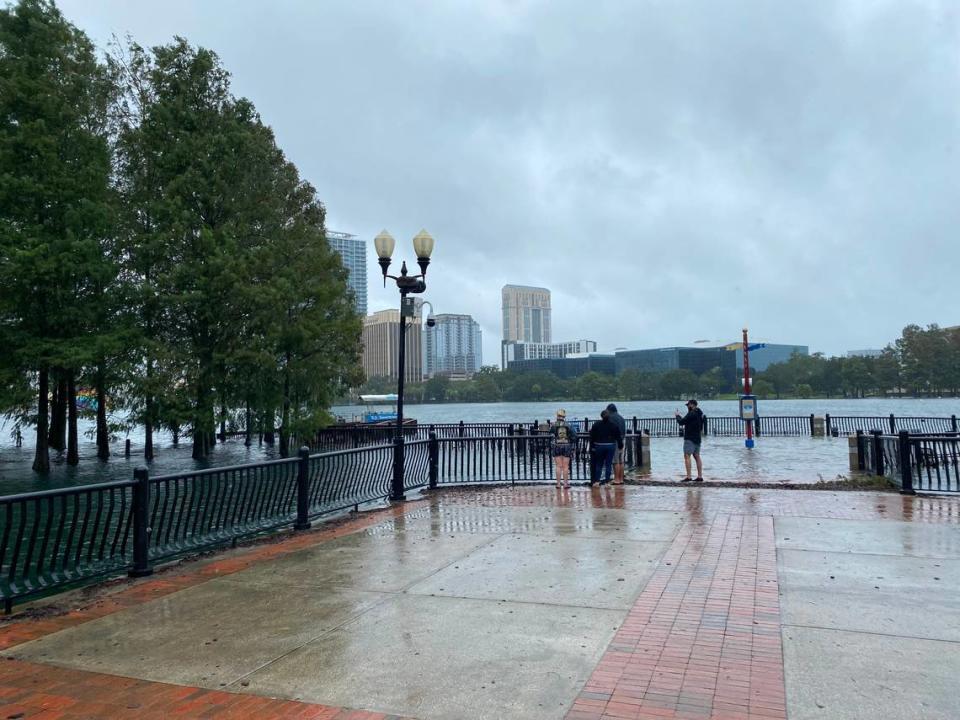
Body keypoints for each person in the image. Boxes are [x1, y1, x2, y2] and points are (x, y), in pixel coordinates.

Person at [589, 409, 623, 486]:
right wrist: (621, 446)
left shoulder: (596, 425)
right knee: (608, 464)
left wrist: (592, 446)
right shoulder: (613, 425)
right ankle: (607, 482)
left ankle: (597, 481)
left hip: (599, 445)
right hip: (610, 445)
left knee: (599, 464)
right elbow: (618, 437)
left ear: (601, 416)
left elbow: (592, 436)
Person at [675, 399, 705, 482]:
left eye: (688, 405)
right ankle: (700, 476)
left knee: (687, 456)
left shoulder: (691, 413)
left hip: (690, 438)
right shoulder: (700, 413)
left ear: (692, 405)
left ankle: (688, 476)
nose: (687, 406)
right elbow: (702, 425)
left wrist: (677, 415)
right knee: (697, 456)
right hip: (698, 438)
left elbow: (681, 422)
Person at [550, 409, 576, 488]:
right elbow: (574, 435)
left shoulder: (554, 425)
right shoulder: (568, 425)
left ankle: (558, 484)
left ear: (557, 416)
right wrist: (571, 440)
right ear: (564, 416)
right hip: (567, 445)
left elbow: (551, 434)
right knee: (565, 466)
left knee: (558, 466)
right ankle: (565, 484)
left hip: (557, 445)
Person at [606, 403, 627, 484]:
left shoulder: (611, 418)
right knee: (621, 460)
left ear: (609, 410)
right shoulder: (621, 417)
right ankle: (621, 479)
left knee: (615, 461)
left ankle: (616, 479)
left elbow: (610, 429)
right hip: (622, 440)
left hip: (615, 441)